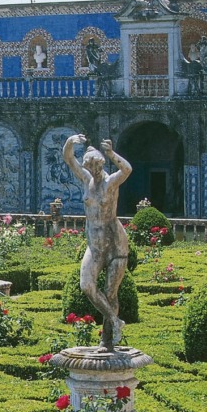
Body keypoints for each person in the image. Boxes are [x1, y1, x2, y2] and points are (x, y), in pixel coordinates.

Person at [62, 134, 132, 351]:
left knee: (111, 293)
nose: (94, 171)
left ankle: (106, 341)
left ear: (101, 164)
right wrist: (70, 142)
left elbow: (127, 169)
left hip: (115, 244)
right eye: (90, 167)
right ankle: (115, 321)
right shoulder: (86, 179)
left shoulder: (111, 182)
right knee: (86, 285)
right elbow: (69, 159)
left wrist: (111, 154)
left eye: (97, 167)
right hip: (94, 245)